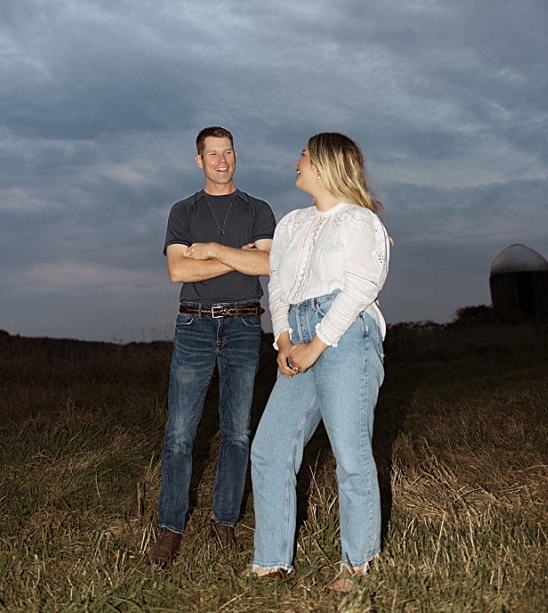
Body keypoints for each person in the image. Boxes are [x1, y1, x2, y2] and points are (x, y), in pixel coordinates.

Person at [249, 132, 390, 592]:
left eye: (304, 156)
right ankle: (271, 562)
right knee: (269, 448)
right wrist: (286, 340)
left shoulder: (359, 222)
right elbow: (279, 287)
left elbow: (361, 288)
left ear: (326, 165)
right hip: (299, 334)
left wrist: (318, 342)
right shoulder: (290, 223)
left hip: (347, 334)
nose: (296, 161)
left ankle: (358, 565)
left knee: (350, 452)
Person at [148, 127, 276, 566]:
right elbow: (176, 273)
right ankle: (170, 530)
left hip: (244, 325)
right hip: (195, 327)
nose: (222, 161)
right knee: (180, 433)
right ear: (199, 160)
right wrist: (234, 258)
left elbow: (267, 263)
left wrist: (211, 251)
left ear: (235, 156)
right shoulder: (183, 210)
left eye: (228, 153)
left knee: (237, 432)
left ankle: (224, 522)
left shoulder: (258, 209)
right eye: (212, 154)